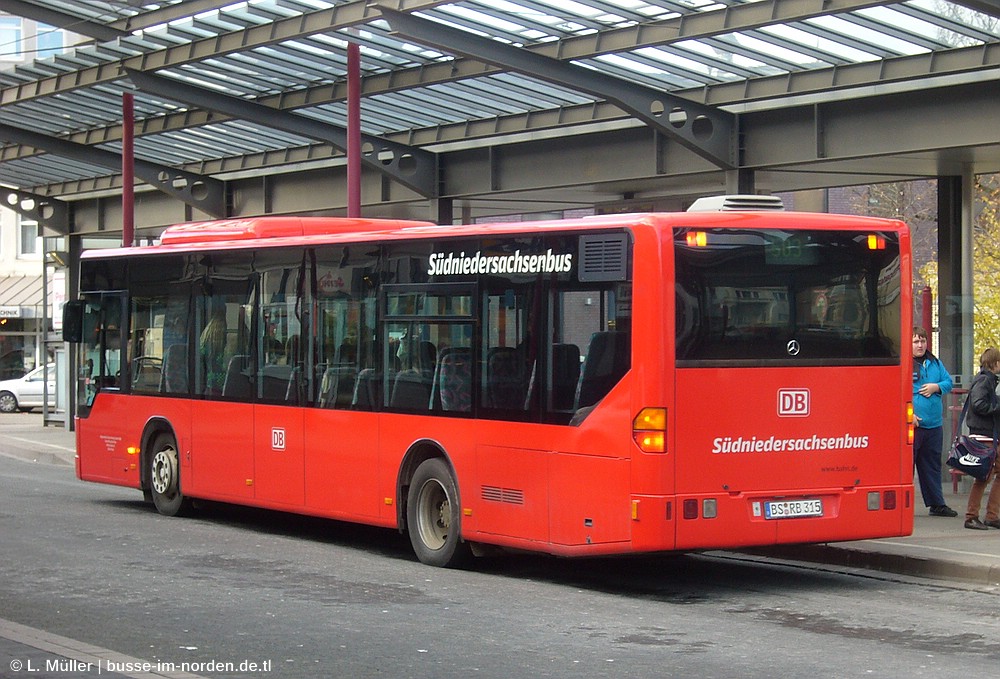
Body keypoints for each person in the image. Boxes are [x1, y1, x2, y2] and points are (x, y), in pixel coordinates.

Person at [911, 327, 957, 517]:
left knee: (932, 466)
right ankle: (903, 506)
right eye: (916, 341)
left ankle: (937, 504)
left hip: (934, 425)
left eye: (923, 341)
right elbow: (894, 390)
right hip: (913, 425)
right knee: (906, 467)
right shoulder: (905, 363)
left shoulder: (935, 363)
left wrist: (936, 387)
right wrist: (907, 415)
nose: (920, 345)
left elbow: (948, 383)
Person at [963, 347, 1000, 530]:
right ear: (996, 363)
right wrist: (997, 406)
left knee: (990, 475)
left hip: (989, 435)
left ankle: (991, 515)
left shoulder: (987, 379)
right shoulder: (985, 380)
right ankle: (972, 516)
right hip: (984, 435)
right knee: (983, 477)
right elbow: (978, 404)